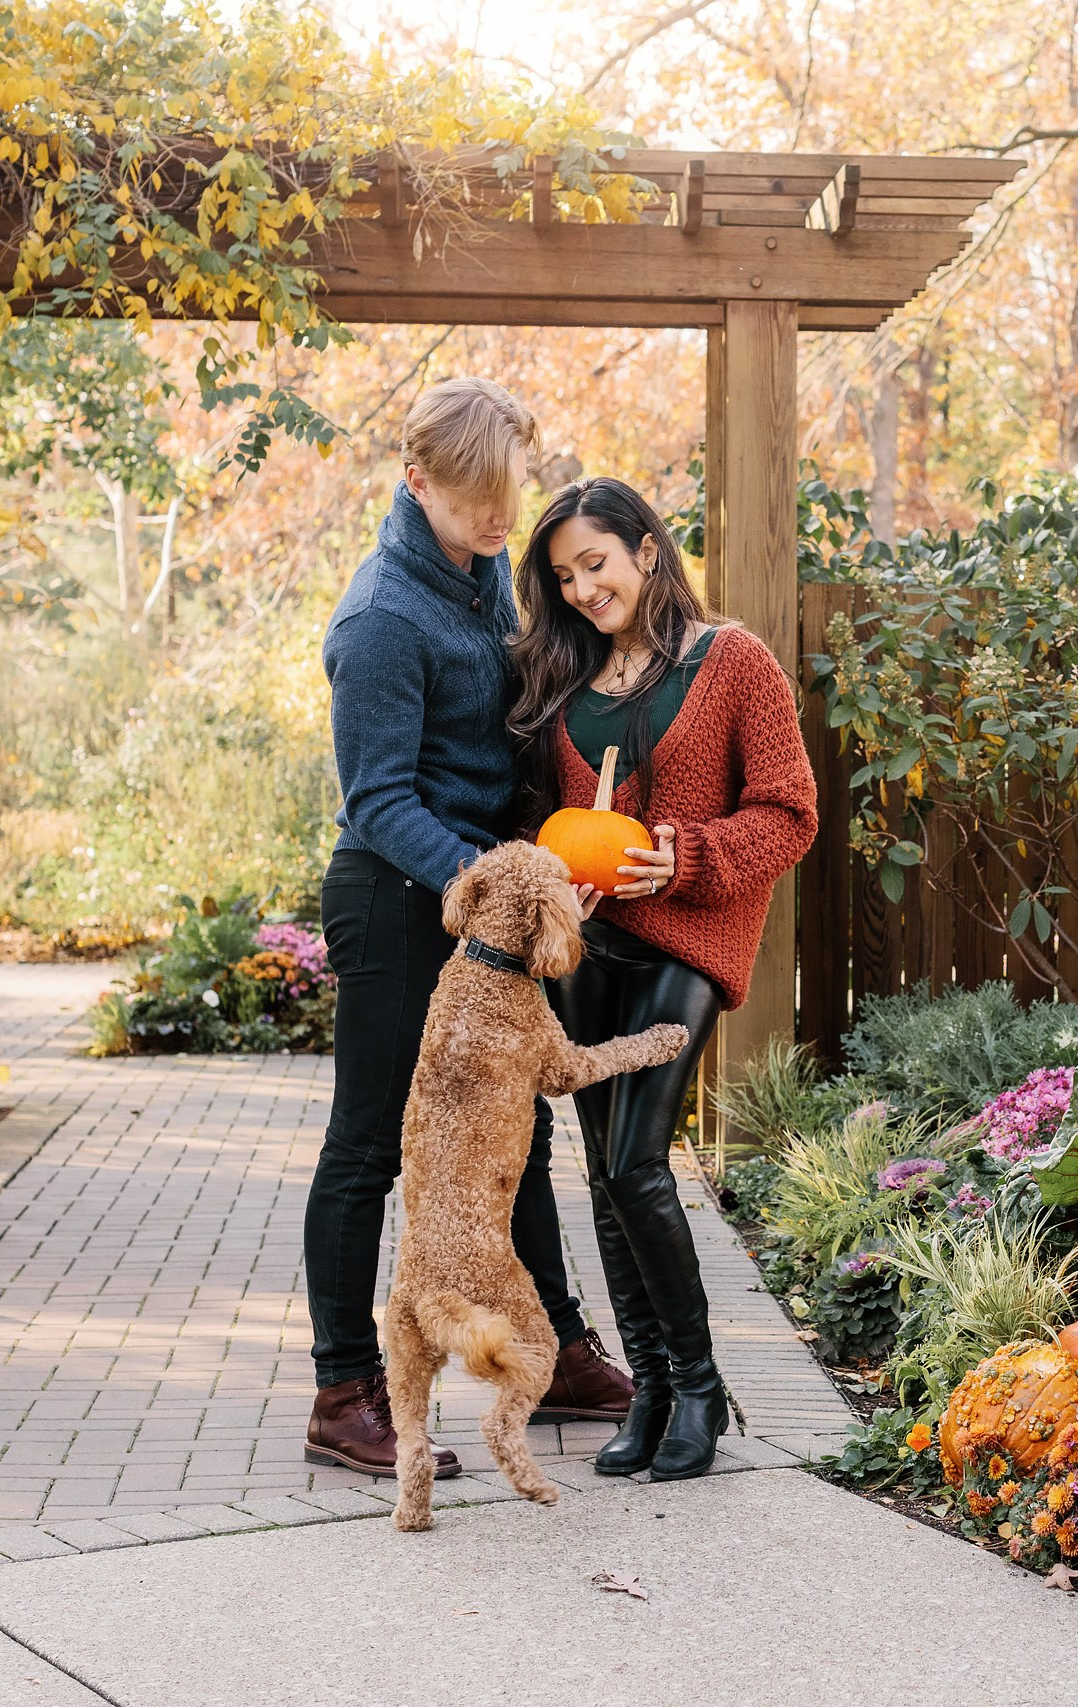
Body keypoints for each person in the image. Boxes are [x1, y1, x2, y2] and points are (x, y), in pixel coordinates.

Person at [303, 379, 636, 1478]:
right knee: (369, 1148)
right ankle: (345, 1389)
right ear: (416, 483)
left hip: (484, 907)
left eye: (509, 502)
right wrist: (500, 889)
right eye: (479, 506)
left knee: (516, 1137)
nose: (504, 527)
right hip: (400, 904)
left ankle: (554, 1349)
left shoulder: (480, 566)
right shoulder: (380, 623)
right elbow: (381, 801)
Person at [509, 476, 816, 1480]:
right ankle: (645, 1391)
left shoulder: (733, 664)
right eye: (564, 577)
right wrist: (565, 891)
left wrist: (680, 858)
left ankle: (697, 1387)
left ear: (646, 550)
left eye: (595, 563)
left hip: (686, 947)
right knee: (601, 1171)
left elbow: (788, 813)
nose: (583, 589)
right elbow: (562, 827)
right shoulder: (568, 681)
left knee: (639, 1157)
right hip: (592, 957)